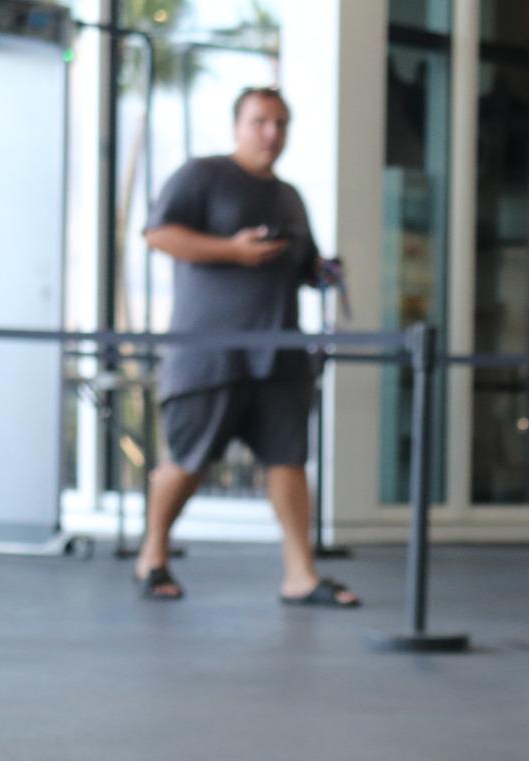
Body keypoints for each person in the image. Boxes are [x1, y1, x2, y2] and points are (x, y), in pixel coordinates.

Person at [138, 86, 356, 607]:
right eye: (260, 121)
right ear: (238, 124)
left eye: (281, 123)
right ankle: (153, 557)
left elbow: (307, 267)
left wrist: (324, 271)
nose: (271, 133)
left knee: (288, 461)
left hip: (279, 354)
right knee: (188, 461)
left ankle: (300, 574)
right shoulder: (203, 175)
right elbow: (157, 235)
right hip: (210, 353)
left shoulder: (290, 196)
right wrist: (232, 251)